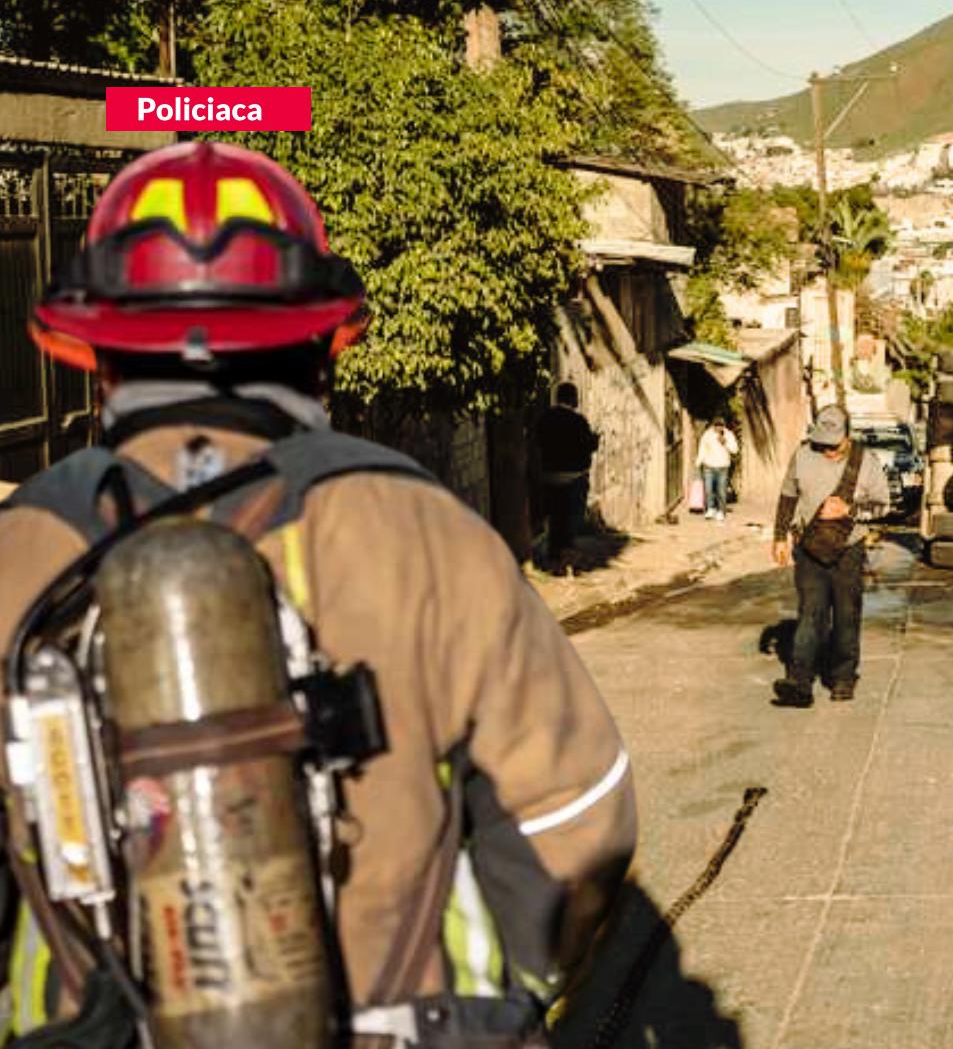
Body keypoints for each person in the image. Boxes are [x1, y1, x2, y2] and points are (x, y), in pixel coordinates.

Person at [0, 142, 635, 1043]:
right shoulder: (429, 531)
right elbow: (580, 817)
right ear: (321, 341)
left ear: (94, 349)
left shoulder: (21, 545)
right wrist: (501, 1002)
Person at [769, 405, 890, 707]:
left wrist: (850, 510)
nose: (829, 451)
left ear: (848, 437)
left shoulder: (866, 462)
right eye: (823, 444)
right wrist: (779, 536)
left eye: (834, 445)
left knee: (847, 616)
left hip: (848, 551)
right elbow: (787, 496)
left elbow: (883, 506)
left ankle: (844, 677)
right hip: (808, 549)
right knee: (811, 614)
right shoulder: (803, 455)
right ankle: (799, 682)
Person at [536, 381, 599, 557]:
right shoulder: (579, 421)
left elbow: (539, 443)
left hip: (549, 476)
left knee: (555, 516)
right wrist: (595, 440)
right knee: (571, 518)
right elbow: (588, 446)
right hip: (574, 477)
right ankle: (567, 549)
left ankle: (556, 550)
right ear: (573, 399)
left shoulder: (544, 419)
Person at [696, 419, 740, 522]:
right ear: (713, 425)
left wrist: (725, 442)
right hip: (709, 466)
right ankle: (710, 508)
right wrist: (698, 462)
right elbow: (702, 448)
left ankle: (721, 511)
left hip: (723, 466)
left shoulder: (728, 435)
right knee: (708, 489)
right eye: (717, 425)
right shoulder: (707, 435)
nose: (719, 427)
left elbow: (735, 450)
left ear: (724, 426)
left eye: (721, 425)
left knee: (721, 490)